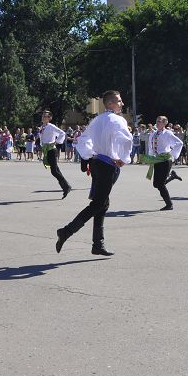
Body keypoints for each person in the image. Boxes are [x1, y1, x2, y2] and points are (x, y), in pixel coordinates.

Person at [56, 91, 133, 257]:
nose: (122, 103)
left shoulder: (97, 120)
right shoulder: (117, 120)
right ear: (110, 103)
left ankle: (98, 244)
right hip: (108, 165)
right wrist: (124, 158)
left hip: (97, 163)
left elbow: (82, 140)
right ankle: (66, 231)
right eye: (119, 101)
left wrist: (89, 155)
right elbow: (127, 140)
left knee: (103, 203)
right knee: (98, 204)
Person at [143, 115, 184, 210]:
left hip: (165, 160)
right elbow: (150, 146)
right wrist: (151, 157)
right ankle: (172, 176)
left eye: (160, 121)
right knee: (156, 184)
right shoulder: (153, 134)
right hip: (157, 159)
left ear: (165, 123)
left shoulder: (167, 133)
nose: (157, 123)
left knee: (160, 184)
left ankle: (169, 204)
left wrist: (171, 154)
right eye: (157, 121)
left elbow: (179, 143)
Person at [39, 110, 72, 198]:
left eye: (45, 116)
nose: (43, 117)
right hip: (47, 150)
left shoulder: (51, 126)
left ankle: (66, 186)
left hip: (52, 150)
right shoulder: (42, 127)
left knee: (54, 171)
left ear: (49, 118)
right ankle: (66, 187)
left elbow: (62, 133)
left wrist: (56, 142)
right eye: (43, 116)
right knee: (55, 170)